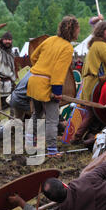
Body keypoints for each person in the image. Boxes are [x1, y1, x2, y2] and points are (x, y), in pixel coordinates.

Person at [26, 16, 79, 157]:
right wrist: (57, 91)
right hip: (47, 85)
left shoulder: (49, 40)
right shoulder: (67, 48)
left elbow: (33, 57)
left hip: (33, 80)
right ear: (73, 30)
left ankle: (29, 142)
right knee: (52, 119)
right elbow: (58, 71)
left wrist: (41, 67)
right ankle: (52, 150)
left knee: (36, 114)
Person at [72, 21, 106, 144]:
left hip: (92, 82)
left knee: (94, 113)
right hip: (94, 83)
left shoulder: (96, 44)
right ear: (101, 32)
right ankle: (76, 138)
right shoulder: (101, 45)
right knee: (93, 112)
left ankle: (90, 135)